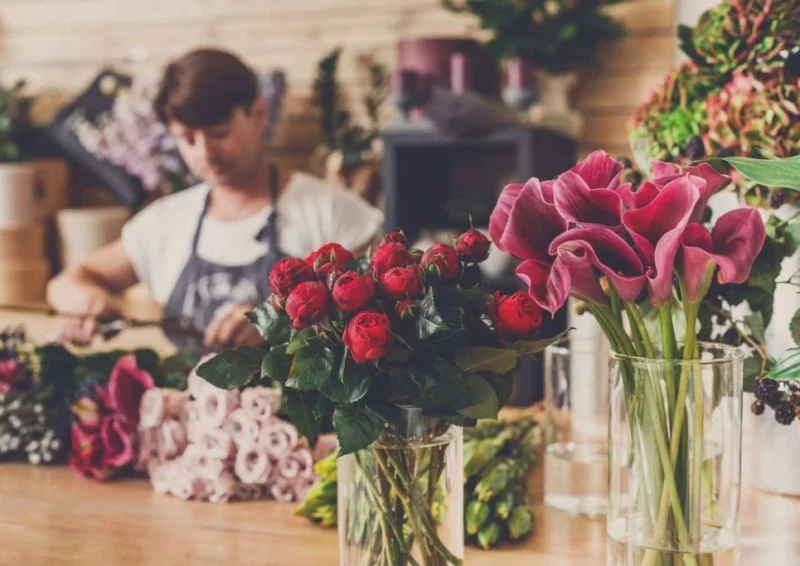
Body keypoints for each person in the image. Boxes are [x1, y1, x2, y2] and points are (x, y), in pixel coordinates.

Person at [48, 48, 384, 349]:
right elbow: (66, 282)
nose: (205, 153)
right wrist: (88, 303)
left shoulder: (333, 214)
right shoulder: (163, 223)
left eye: (219, 133)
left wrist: (276, 321)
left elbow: (385, 319)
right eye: (188, 138)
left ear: (257, 113)